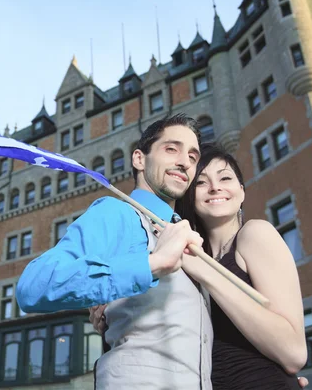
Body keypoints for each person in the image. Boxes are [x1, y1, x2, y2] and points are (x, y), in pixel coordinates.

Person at [17, 114, 213, 389]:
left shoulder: (190, 237)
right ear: (139, 159)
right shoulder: (117, 213)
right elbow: (32, 287)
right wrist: (152, 264)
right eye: (172, 149)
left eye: (193, 157)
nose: (185, 162)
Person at [90, 145, 310, 389]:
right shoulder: (185, 259)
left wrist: (204, 272)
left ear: (241, 191)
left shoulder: (254, 234)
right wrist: (111, 309)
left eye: (225, 178)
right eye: (201, 182)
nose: (215, 187)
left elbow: (294, 353)